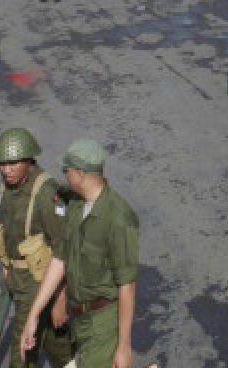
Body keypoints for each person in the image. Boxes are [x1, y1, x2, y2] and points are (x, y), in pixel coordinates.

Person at [19, 139, 139, 368]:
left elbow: (127, 287)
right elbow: (59, 260)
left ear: (80, 174)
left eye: (66, 170)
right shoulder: (75, 206)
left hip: (104, 324)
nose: (64, 175)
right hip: (80, 320)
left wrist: (123, 347)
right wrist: (33, 316)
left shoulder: (119, 219)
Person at [0, 128, 74, 368]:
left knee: (22, 348)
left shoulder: (47, 195)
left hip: (39, 280)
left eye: (14, 163)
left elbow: (64, 249)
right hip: (19, 275)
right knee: (51, 337)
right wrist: (8, 264)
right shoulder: (8, 186)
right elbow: (8, 229)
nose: (7, 170)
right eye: (3, 164)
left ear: (29, 160)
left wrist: (60, 298)